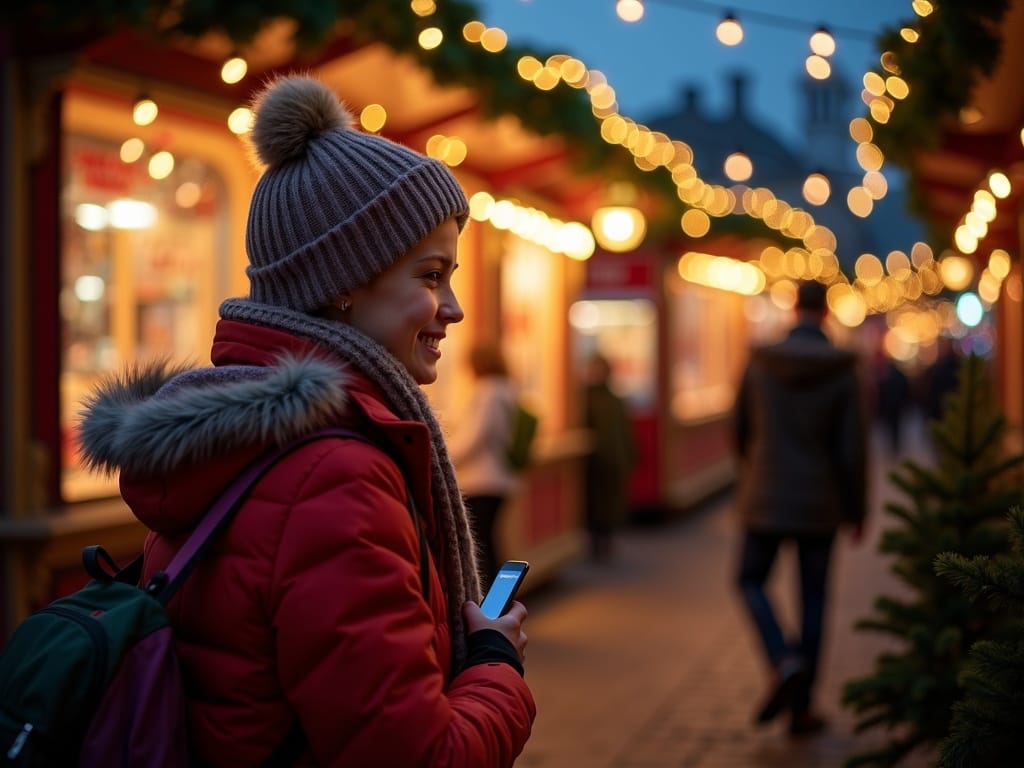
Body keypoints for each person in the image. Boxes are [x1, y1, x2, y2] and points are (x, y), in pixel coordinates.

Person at [75, 74, 535, 767]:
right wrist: (496, 667)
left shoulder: (251, 442)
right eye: (432, 275)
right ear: (344, 283)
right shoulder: (336, 475)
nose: (454, 309)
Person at [731, 279, 867, 737]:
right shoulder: (843, 370)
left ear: (793, 309)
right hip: (820, 501)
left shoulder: (761, 363)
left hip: (766, 495)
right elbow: (852, 449)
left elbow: (740, 429)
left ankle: (781, 656)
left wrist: (755, 472)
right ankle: (802, 707)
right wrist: (857, 508)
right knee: (813, 600)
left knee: (749, 579)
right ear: (826, 312)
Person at [447, 340, 521, 590]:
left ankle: (493, 604)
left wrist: (443, 454)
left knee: (482, 545)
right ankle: (501, 600)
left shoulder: (488, 391)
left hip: (483, 479)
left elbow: (474, 437)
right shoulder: (507, 389)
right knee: (490, 541)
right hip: (501, 478)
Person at [582, 352, 637, 561]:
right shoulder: (584, 397)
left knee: (610, 504)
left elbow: (624, 429)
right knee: (595, 504)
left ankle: (606, 539)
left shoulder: (615, 399)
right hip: (595, 461)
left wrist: (630, 454)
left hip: (613, 459)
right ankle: (596, 541)